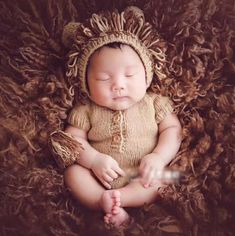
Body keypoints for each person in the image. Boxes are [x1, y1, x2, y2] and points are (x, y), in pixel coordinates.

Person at [49, 6, 182, 227]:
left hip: (142, 176)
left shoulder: (155, 103)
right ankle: (102, 201)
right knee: (73, 173)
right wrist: (93, 160)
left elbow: (173, 131)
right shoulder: (86, 109)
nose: (118, 85)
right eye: (103, 78)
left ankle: (121, 199)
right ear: (87, 84)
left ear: (147, 76)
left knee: (166, 179)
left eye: (130, 75)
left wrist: (158, 157)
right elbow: (72, 141)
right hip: (98, 177)